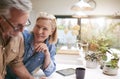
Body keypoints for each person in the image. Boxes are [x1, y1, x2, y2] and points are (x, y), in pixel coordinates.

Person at [5, 12, 57, 79]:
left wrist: (47, 54)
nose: (39, 31)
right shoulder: (22, 36)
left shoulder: (50, 46)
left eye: (45, 29)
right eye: (37, 26)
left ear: (51, 31)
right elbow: (14, 63)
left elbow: (49, 72)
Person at [0, 0, 38, 79]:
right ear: (1, 19)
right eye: (17, 25)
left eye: (25, 24)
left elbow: (17, 64)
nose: (22, 30)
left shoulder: (19, 37)